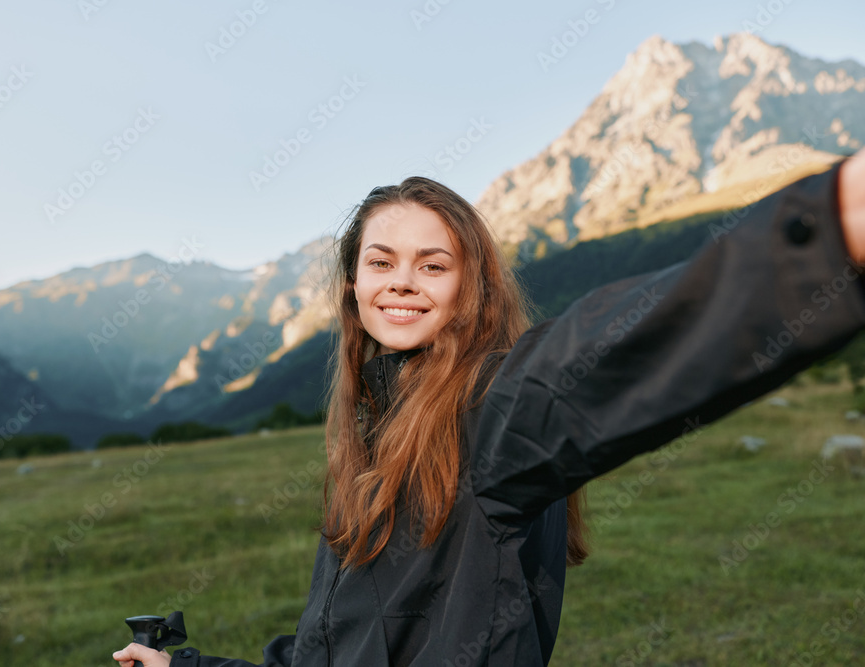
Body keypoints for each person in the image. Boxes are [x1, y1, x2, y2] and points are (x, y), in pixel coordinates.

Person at [115, 148, 865, 667]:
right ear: (352, 285)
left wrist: (823, 233)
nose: (402, 281)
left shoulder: (491, 408)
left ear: (468, 288)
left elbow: (614, 349)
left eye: (433, 265)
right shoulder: (371, 430)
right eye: (381, 262)